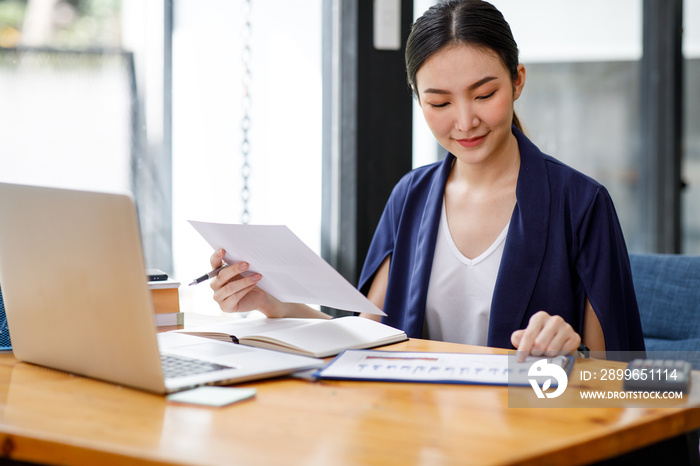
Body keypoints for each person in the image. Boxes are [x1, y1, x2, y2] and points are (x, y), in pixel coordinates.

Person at [209, 0, 645, 359]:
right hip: (419, 435)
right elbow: (368, 341)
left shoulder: (581, 204)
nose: (465, 121)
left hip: (526, 435)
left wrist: (572, 356)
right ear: (419, 101)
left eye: (485, 94)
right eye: (439, 102)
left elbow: (630, 384)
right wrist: (274, 305)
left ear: (517, 82)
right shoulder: (410, 198)